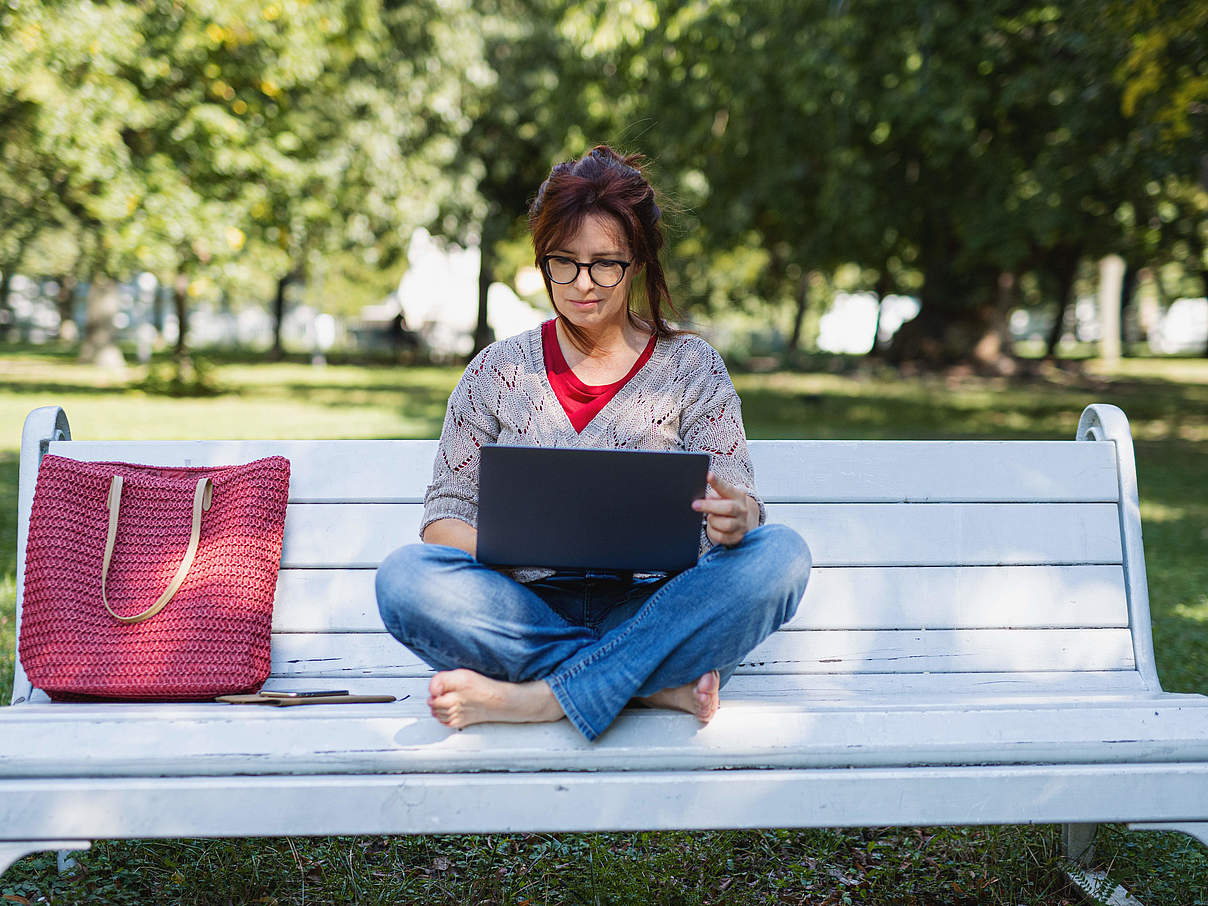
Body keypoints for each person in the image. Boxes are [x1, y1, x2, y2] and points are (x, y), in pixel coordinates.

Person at [375, 146, 811, 742]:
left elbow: (742, 504)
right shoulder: (496, 371)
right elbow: (442, 519)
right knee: (404, 579)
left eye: (606, 264)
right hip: (522, 610)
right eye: (565, 263)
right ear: (542, 259)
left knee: (780, 555)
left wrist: (738, 519)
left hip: (654, 606)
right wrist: (512, 546)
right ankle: (648, 687)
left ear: (637, 264)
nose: (583, 284)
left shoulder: (693, 367)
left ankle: (538, 699)